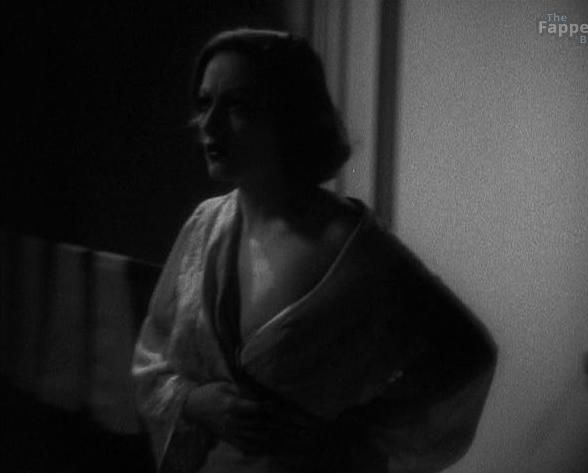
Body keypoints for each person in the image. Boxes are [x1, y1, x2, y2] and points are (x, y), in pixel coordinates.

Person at [131, 28, 497, 473]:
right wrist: (194, 402)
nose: (210, 125)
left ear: (289, 115)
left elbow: (467, 356)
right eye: (205, 103)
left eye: (238, 105)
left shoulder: (354, 253)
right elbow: (153, 357)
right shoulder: (204, 227)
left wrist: (356, 439)